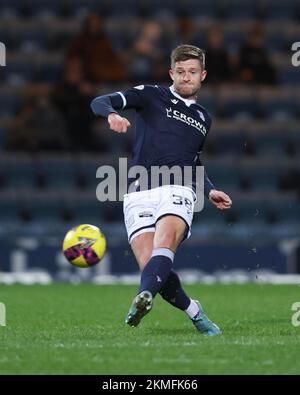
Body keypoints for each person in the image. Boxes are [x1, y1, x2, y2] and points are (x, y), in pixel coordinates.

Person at [91, 45, 232, 336]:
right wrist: (111, 115)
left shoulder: (204, 118)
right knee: (151, 268)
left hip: (178, 188)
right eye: (180, 71)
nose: (186, 77)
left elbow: (192, 158)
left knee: (164, 241)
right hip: (139, 189)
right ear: (171, 72)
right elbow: (100, 100)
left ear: (202, 75)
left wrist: (208, 190)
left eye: (192, 72)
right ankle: (194, 311)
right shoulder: (151, 94)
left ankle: (144, 298)